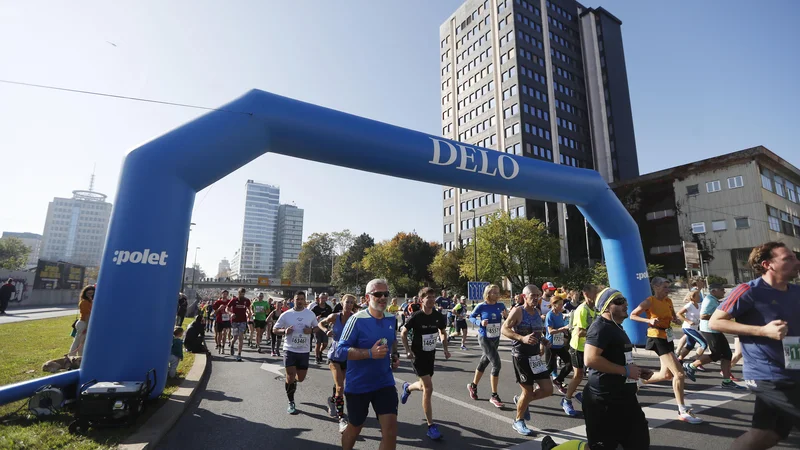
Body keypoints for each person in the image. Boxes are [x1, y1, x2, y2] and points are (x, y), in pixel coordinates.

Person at [710, 242, 800, 450]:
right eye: (788, 258)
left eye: (795, 257)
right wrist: (762, 331)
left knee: (767, 435)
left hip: (793, 370)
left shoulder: (796, 292)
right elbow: (715, 322)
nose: (797, 262)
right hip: (767, 375)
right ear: (768, 264)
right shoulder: (748, 290)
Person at [583, 288, 653, 449]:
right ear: (606, 306)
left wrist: (637, 370)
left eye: (625, 301)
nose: (625, 304)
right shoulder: (600, 327)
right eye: (619, 301)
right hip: (603, 402)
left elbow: (617, 358)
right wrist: (625, 371)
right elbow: (590, 358)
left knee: (639, 441)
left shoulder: (616, 326)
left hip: (624, 398)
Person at [338, 279, 400, 450]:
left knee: (390, 431)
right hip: (359, 385)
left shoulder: (390, 319)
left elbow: (392, 341)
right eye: (377, 294)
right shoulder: (356, 320)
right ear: (367, 298)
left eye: (385, 294)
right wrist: (369, 353)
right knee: (355, 428)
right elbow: (339, 351)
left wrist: (394, 355)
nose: (382, 298)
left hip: (384, 383)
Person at [631, 277, 702, 424]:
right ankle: (682, 410)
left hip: (667, 336)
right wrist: (648, 320)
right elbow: (633, 315)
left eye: (668, 287)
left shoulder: (668, 301)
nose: (667, 290)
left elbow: (673, 316)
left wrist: (675, 320)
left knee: (667, 374)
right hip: (656, 336)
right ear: (656, 287)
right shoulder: (649, 301)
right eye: (664, 287)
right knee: (679, 373)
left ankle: (640, 381)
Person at [400, 287, 451, 440]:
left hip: (431, 354)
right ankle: (430, 426)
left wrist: (445, 348)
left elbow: (442, 331)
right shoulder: (416, 316)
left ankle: (408, 387)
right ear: (421, 299)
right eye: (428, 297)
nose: (431, 300)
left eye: (433, 297)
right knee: (428, 388)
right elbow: (403, 332)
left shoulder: (437, 315)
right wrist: (408, 350)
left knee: (422, 386)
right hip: (417, 356)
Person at [502, 284, 552, 436]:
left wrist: (543, 340)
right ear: (525, 296)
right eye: (533, 296)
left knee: (548, 389)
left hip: (535, 357)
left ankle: (522, 400)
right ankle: (518, 420)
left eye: (538, 295)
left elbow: (537, 332)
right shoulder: (518, 311)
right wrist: (521, 338)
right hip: (521, 356)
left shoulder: (537, 312)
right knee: (528, 391)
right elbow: (504, 329)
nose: (536, 298)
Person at [680, 283, 747, 390]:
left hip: (715, 329)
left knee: (727, 354)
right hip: (709, 329)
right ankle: (691, 366)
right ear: (713, 291)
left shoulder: (713, 299)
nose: (724, 292)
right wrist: (720, 317)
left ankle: (727, 381)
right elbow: (703, 316)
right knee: (716, 354)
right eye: (721, 289)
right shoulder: (709, 300)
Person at [273, 291, 318, 414]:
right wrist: (284, 331)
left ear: (305, 301)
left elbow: (317, 327)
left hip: (304, 350)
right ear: (293, 300)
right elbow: (275, 329)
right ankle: (291, 401)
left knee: (301, 378)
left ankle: (293, 384)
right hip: (290, 349)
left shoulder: (310, 314)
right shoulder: (286, 314)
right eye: (297, 299)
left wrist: (311, 330)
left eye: (302, 299)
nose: (299, 301)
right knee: (290, 376)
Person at [319, 294, 357, 433]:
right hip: (334, 356)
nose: (349, 304)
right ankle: (342, 419)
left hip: (348, 356)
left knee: (338, 385)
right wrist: (326, 331)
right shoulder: (335, 317)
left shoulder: (356, 319)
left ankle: (332, 401)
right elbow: (320, 323)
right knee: (341, 387)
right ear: (342, 303)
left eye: (352, 303)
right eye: (347, 302)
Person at [467, 284, 508, 407]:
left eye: (498, 292)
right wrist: (480, 322)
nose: (497, 294)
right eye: (494, 292)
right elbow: (471, 317)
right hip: (484, 337)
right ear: (488, 294)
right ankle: (494, 396)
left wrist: (506, 316)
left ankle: (473, 386)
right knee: (496, 364)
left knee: (484, 362)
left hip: (495, 338)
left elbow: (507, 318)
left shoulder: (500, 305)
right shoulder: (481, 306)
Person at [561, 284, 598, 416]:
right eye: (595, 293)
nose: (597, 295)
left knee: (595, 374)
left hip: (590, 346)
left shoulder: (596, 308)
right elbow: (580, 332)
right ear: (586, 294)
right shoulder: (582, 310)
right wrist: (596, 332)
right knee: (578, 376)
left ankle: (585, 396)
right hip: (578, 347)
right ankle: (566, 400)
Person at [546, 295, 573, 395]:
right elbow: (550, 331)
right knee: (549, 368)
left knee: (569, 364)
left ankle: (558, 380)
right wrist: (563, 329)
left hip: (560, 344)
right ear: (554, 304)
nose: (562, 306)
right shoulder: (550, 315)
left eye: (562, 304)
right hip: (551, 345)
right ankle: (539, 384)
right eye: (560, 304)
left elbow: (562, 327)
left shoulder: (560, 315)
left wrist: (566, 333)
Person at [675, 289, 708, 364]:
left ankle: (679, 360)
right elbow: (678, 314)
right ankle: (695, 362)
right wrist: (688, 321)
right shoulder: (689, 305)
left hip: (695, 328)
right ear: (692, 297)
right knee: (703, 344)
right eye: (698, 295)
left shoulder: (699, 305)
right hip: (688, 328)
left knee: (690, 345)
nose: (700, 296)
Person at [227, 288, 252, 361]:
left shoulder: (246, 300)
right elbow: (227, 308)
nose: (242, 295)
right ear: (238, 293)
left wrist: (249, 313)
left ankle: (239, 354)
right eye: (241, 293)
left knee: (240, 337)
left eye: (243, 293)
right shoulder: (234, 300)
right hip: (234, 321)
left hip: (242, 321)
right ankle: (231, 345)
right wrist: (231, 313)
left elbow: (248, 308)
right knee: (235, 337)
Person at [69, 285, 95, 357]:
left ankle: (79, 357)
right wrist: (87, 327)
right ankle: (72, 356)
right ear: (85, 293)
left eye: (92, 293)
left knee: (82, 342)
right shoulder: (84, 302)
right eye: (88, 293)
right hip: (83, 323)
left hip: (85, 323)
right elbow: (87, 315)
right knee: (78, 341)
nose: (90, 295)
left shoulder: (90, 301)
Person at [311, 293, 334, 364]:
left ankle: (320, 352)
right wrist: (316, 318)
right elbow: (310, 317)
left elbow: (332, 317)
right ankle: (316, 357)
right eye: (322, 298)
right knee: (318, 343)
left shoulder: (328, 308)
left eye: (325, 298)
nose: (323, 300)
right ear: (319, 299)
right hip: (317, 327)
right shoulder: (315, 308)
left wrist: (331, 322)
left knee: (325, 343)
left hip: (325, 328)